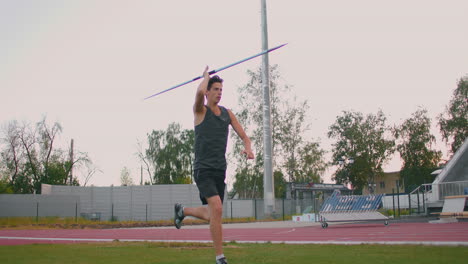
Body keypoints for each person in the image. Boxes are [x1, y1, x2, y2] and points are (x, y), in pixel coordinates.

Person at [174, 66, 254, 264]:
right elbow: (199, 92)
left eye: (221, 90)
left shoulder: (227, 114)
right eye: (215, 89)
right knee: (217, 208)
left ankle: (182, 211)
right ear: (208, 91)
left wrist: (248, 147)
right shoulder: (200, 111)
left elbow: (244, 135)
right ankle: (220, 257)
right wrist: (205, 78)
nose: (219, 93)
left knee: (212, 214)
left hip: (220, 170)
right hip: (203, 169)